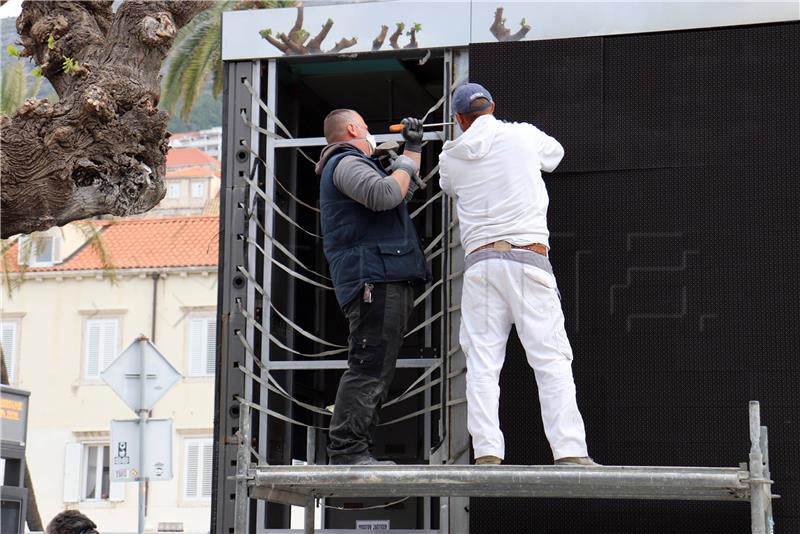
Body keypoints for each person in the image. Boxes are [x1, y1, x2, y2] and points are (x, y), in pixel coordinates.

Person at [438, 83, 597, 467]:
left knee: (482, 364)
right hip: (528, 261)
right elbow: (555, 155)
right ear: (492, 106)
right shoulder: (523, 135)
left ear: (459, 120)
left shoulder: (451, 157)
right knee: (551, 361)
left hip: (481, 266)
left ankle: (488, 452)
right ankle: (570, 452)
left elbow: (447, 185)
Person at [316, 109, 429, 465]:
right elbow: (385, 194)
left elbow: (398, 192)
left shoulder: (353, 166)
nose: (370, 134)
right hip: (374, 279)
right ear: (352, 128)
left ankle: (351, 449)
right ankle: (347, 451)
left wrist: (412, 150)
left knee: (375, 367)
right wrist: (404, 166)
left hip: (379, 277)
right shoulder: (345, 162)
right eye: (365, 127)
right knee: (368, 367)